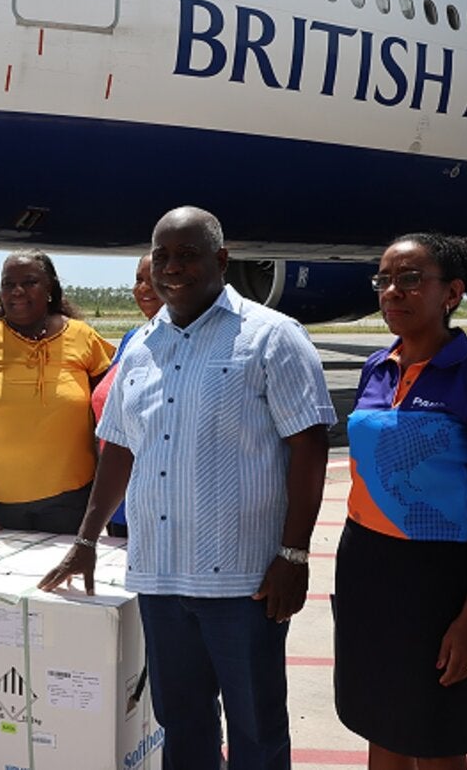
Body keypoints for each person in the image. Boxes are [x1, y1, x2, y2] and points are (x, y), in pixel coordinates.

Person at [39, 206, 335, 770]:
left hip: (245, 582)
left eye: (187, 254)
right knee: (183, 724)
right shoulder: (142, 348)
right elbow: (120, 448)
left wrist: (293, 554)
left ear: (221, 260)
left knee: (257, 731)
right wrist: (86, 538)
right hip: (160, 579)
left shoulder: (271, 337)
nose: (171, 267)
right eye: (162, 255)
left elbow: (309, 447)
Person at [333, 234, 467, 769]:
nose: (392, 291)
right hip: (365, 564)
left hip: (435, 576)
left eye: (410, 279)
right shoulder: (375, 367)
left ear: (452, 293)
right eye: (384, 279)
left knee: (434, 734)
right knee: (379, 721)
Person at [0, 249, 114, 535]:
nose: (17, 291)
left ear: (50, 288)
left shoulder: (84, 339)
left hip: (72, 503)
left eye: (30, 282)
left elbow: (110, 417)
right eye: (8, 284)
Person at [90, 253, 163, 537]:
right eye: (138, 279)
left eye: (154, 279)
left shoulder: (192, 344)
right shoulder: (133, 338)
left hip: (158, 505)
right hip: (117, 501)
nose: (144, 288)